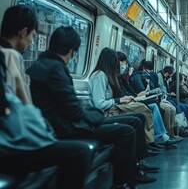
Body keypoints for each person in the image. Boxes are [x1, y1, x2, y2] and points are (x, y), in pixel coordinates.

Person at [26, 26, 157, 187]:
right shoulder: (56, 69)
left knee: (136, 119)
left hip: (65, 122)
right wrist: (95, 117)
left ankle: (134, 169)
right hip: (68, 126)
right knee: (126, 131)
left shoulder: (40, 65)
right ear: (72, 51)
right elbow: (74, 111)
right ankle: (123, 181)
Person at [0, 5, 91, 189]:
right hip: (9, 143)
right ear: (23, 31)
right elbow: (22, 101)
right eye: (32, 35)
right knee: (79, 151)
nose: (31, 42)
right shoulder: (10, 56)